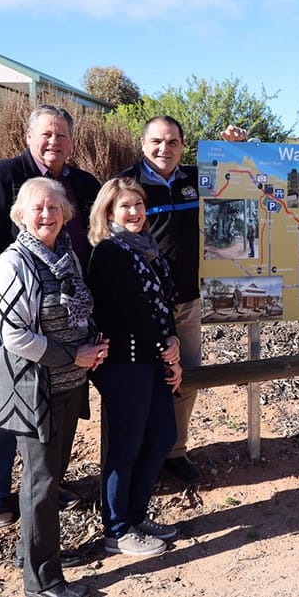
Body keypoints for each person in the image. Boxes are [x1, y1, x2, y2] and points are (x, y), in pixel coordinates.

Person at [0, 105, 101, 528]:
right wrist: (12, 297)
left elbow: (96, 242)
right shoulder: (1, 176)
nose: (53, 142)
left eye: (61, 135)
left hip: (73, 315)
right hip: (21, 316)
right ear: (29, 136)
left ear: (72, 141)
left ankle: (44, 484)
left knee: (61, 399)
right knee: (9, 399)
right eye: (46, 134)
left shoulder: (83, 183)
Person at [0, 177, 108, 597]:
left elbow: (81, 308)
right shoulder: (13, 262)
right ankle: (42, 582)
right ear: (21, 215)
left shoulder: (66, 256)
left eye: (54, 208)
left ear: (65, 214)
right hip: (36, 388)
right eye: (38, 208)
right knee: (41, 485)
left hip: (69, 384)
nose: (46, 215)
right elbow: (15, 337)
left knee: (50, 477)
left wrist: (92, 343)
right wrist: (72, 355)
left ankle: (34, 553)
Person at [86, 178, 183, 557]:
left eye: (139, 205)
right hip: (124, 363)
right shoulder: (110, 252)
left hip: (150, 359)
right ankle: (117, 529)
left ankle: (136, 516)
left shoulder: (149, 251)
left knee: (160, 437)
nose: (135, 212)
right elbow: (133, 312)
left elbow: (162, 307)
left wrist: (171, 343)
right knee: (126, 446)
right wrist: (167, 349)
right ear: (108, 212)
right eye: (125, 206)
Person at [114, 116, 205, 483]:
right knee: (143, 384)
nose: (163, 149)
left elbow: (244, 180)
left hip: (188, 301)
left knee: (187, 379)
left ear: (183, 145)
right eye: (156, 141)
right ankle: (136, 458)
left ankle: (175, 450)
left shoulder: (197, 180)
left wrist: (234, 145)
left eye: (172, 142)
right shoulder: (126, 185)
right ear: (142, 143)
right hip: (143, 309)